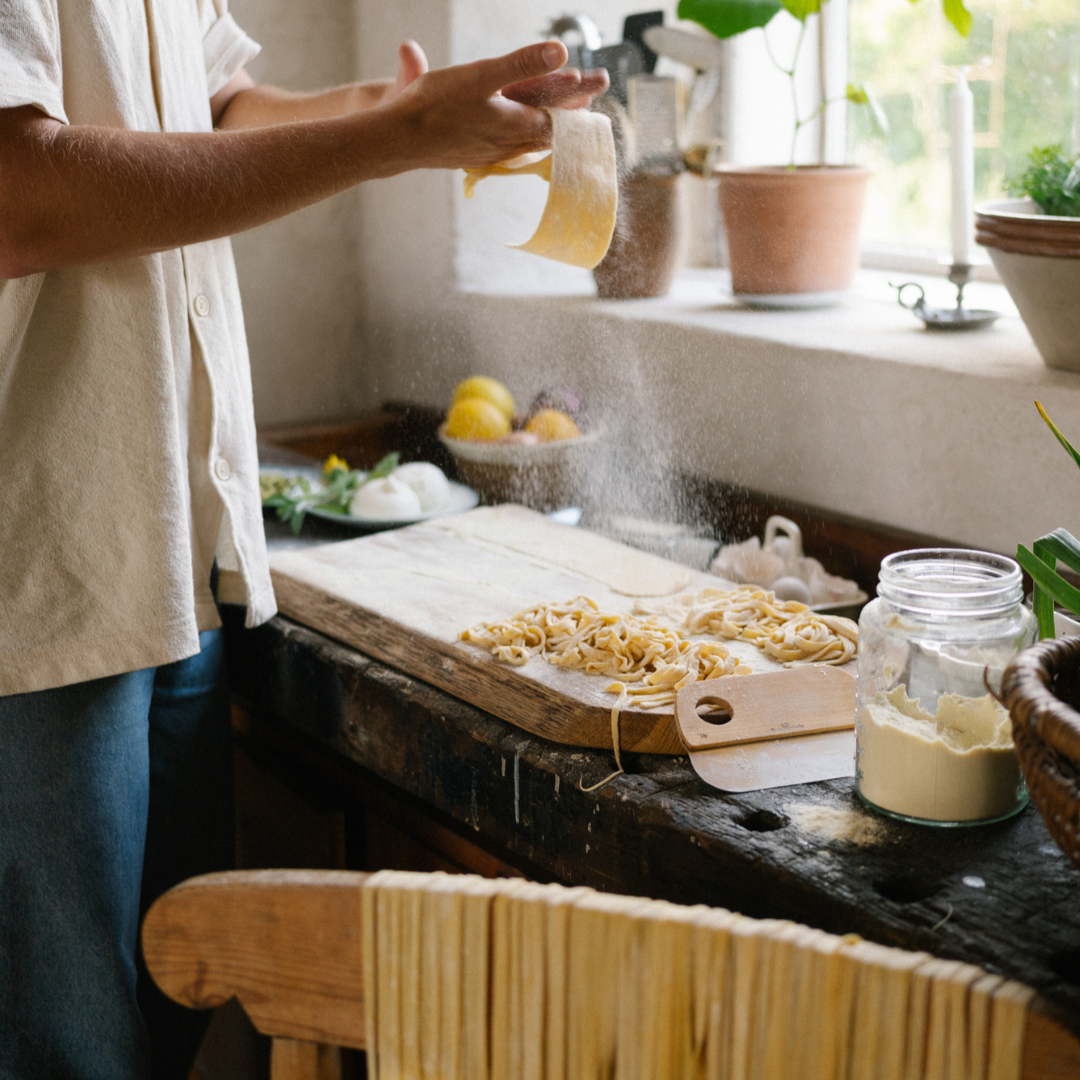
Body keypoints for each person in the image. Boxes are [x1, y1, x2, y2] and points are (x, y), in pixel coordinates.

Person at [0, 2, 607, 1077]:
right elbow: (20, 192)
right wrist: (391, 140)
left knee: (172, 1004)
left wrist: (410, 110)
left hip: (171, 554)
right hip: (32, 581)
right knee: (67, 1048)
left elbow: (221, 105)